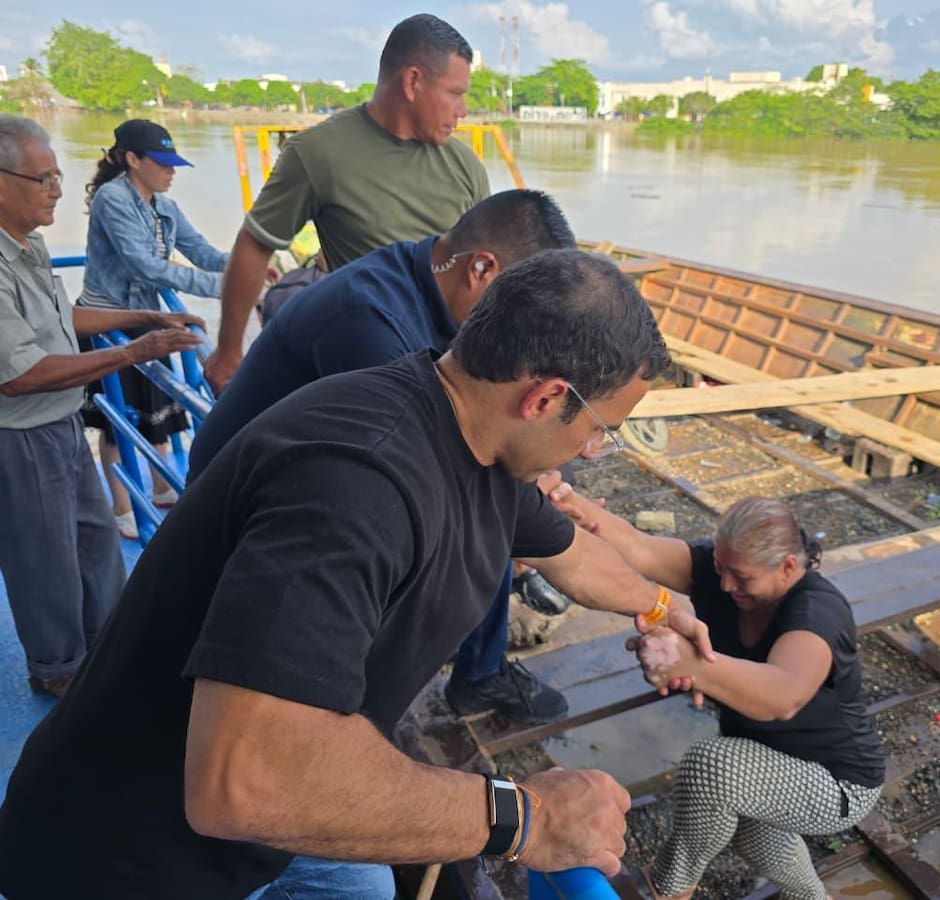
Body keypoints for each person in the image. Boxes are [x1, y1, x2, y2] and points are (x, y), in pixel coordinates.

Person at [0, 249, 713, 900]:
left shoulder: (481, 445)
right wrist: (526, 817)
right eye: (599, 429)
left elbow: (576, 556)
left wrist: (659, 609)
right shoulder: (356, 481)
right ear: (547, 397)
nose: (594, 453)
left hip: (266, 831)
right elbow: (242, 782)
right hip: (132, 859)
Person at [187, 188, 578, 730]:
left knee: (497, 504)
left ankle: (478, 671)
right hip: (240, 516)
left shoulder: (425, 276)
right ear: (482, 269)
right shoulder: (372, 323)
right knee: (480, 521)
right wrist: (538, 501)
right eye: (524, 314)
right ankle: (363, 726)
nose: (524, 335)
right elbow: (453, 463)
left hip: (322, 472)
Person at [548, 486, 885, 900]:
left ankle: (666, 887)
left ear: (788, 567)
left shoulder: (817, 612)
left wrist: (689, 665)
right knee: (753, 838)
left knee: (713, 770)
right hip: (764, 761)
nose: (725, 584)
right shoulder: (723, 572)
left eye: (741, 576)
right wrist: (576, 507)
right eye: (722, 567)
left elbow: (783, 695)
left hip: (835, 782)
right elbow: (640, 547)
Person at [0, 115, 202, 698]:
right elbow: (21, 376)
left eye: (58, 176)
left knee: (95, 543)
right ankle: (59, 673)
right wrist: (138, 352)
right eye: (41, 179)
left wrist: (145, 317)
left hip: (61, 421)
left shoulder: (28, 244)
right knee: (45, 566)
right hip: (22, 434)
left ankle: (110, 653)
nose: (57, 190)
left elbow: (65, 320)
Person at [204, 12, 489, 395]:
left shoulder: (465, 166)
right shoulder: (318, 154)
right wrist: (228, 351)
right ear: (413, 81)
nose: (463, 110)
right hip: (370, 366)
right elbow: (256, 244)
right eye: (455, 93)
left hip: (454, 371)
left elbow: (493, 270)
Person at [78, 119, 229, 538]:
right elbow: (145, 265)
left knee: (155, 413)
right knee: (117, 421)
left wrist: (250, 265)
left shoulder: (165, 205)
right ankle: (123, 508)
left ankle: (162, 488)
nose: (171, 171)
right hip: (109, 321)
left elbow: (202, 251)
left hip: (147, 320)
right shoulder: (113, 199)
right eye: (162, 163)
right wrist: (225, 288)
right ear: (132, 159)